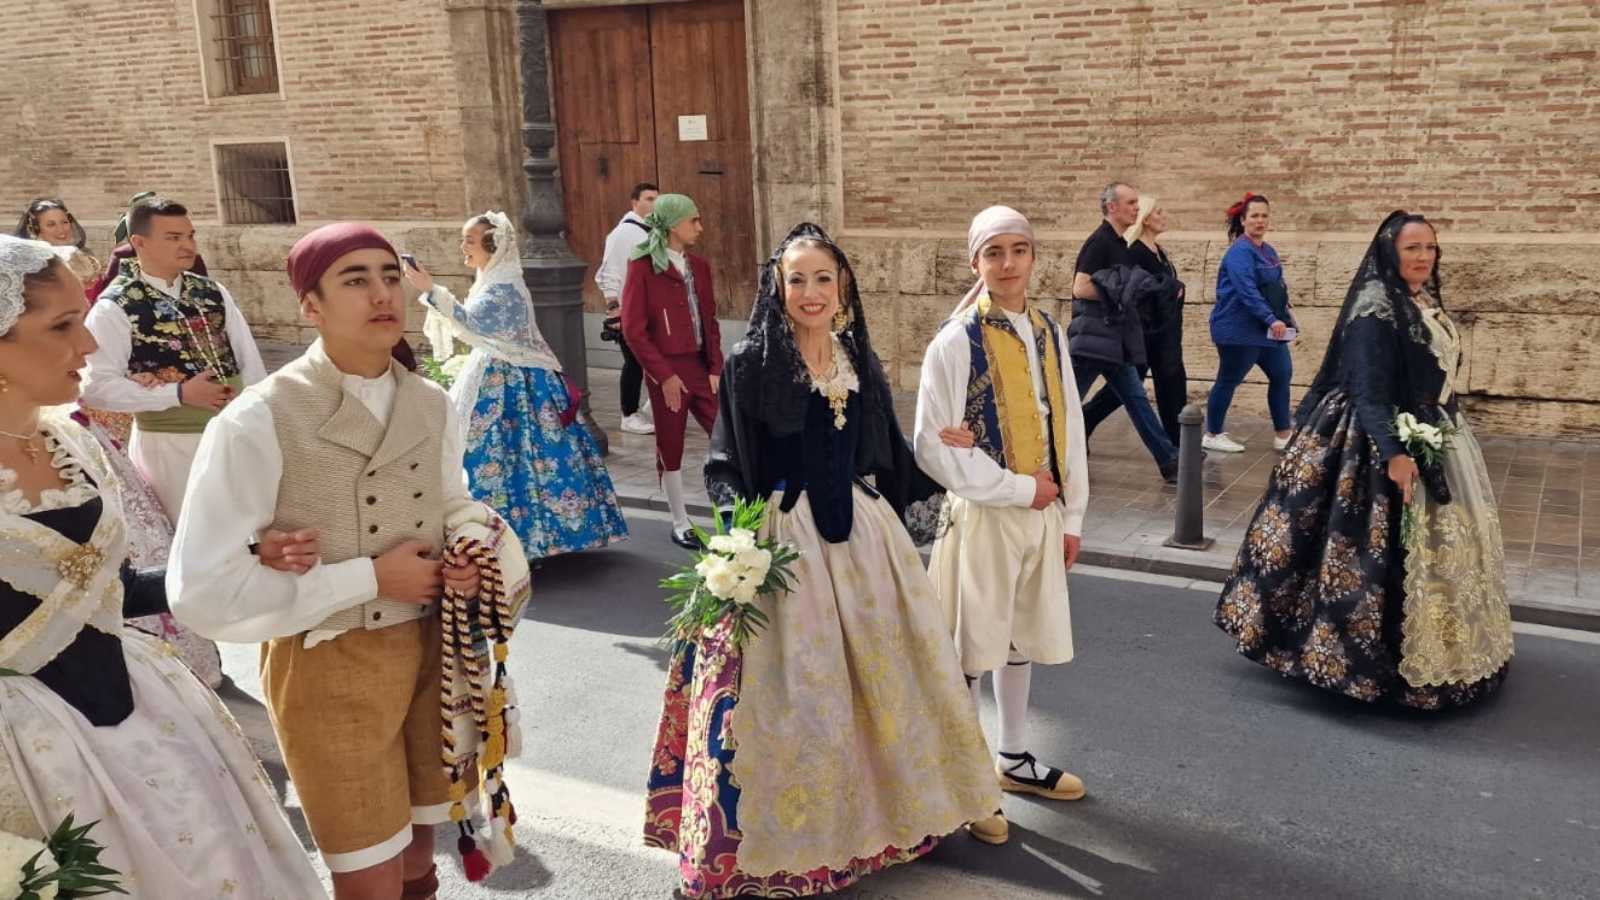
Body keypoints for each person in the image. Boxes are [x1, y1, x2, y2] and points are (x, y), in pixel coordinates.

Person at [169, 223, 529, 899]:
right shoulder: (257, 418)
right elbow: (200, 590)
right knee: (369, 874)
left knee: (421, 859)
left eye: (390, 276)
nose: (381, 293)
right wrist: (368, 576)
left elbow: (451, 499)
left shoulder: (431, 402)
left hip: (432, 652)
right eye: (355, 280)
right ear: (311, 307)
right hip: (328, 664)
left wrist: (463, 552)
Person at [645, 223, 1003, 899]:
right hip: (786, 541)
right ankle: (794, 842)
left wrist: (952, 454)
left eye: (824, 279)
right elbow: (724, 462)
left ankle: (899, 815)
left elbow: (889, 452)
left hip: (865, 540)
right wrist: (736, 539)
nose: (812, 292)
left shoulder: (856, 357)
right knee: (796, 698)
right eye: (798, 279)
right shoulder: (753, 363)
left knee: (888, 683)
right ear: (778, 288)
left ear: (843, 290)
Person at [0, 235, 326, 897]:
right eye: (63, 326)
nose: (88, 346)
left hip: (144, 712)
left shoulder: (75, 445)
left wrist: (245, 561)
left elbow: (112, 591)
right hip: (30, 753)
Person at [1215, 211, 1513, 710]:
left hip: (1437, 433)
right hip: (1375, 445)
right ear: (1390, 252)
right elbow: (1369, 392)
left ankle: (1446, 646)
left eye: (1430, 248)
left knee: (1442, 549)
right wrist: (1396, 454)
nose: (1424, 257)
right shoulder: (1375, 309)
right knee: (1361, 554)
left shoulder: (1419, 301)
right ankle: (1363, 663)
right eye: (1413, 248)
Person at [916, 206, 1092, 805]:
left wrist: (1070, 515)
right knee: (973, 641)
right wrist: (1021, 490)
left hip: (1042, 515)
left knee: (1017, 638)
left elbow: (1069, 423)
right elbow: (931, 447)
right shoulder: (954, 340)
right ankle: (964, 776)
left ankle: (1012, 755)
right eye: (994, 253)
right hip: (986, 516)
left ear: (1034, 258)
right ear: (975, 262)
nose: (1008, 263)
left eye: (1018, 250)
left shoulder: (1049, 330)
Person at [406, 211, 628, 559]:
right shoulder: (493, 281)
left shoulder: (504, 287)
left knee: (516, 454)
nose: (462, 246)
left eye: (469, 240)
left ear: (492, 246)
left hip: (512, 380)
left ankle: (526, 539)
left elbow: (472, 322)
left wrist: (430, 289)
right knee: (503, 455)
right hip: (495, 370)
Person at [82, 197, 266, 520]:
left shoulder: (212, 291)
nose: (187, 245)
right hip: (169, 446)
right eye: (173, 237)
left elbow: (249, 362)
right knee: (191, 533)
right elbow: (95, 385)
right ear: (139, 242)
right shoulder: (114, 306)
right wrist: (178, 395)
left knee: (248, 529)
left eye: (190, 235)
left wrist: (259, 419)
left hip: (233, 433)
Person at [621, 193, 722, 549]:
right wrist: (664, 376)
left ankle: (732, 512)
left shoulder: (700, 266)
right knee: (671, 444)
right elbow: (634, 330)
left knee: (727, 437)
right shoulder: (643, 266)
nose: (700, 226)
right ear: (673, 223)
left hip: (701, 367)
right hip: (667, 371)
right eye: (693, 220)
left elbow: (709, 319)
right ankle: (679, 521)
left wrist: (715, 366)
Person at [1067, 188, 1179, 482]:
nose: (1135, 208)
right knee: (1065, 403)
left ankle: (1170, 461)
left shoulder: (1121, 244)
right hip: (1092, 341)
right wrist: (1120, 290)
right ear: (1112, 207)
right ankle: (1040, 452)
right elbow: (1080, 288)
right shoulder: (1099, 242)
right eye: (1130, 203)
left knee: (1136, 398)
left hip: (1113, 339)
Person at [1204, 192, 1295, 453]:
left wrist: (1285, 313)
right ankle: (1213, 433)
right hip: (1239, 329)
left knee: (1282, 374)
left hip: (1268, 330)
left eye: (1264, 216)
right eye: (1254, 216)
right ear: (1243, 220)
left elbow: (1276, 286)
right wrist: (1270, 318)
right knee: (1229, 379)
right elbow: (1247, 290)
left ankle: (1282, 433)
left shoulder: (1268, 250)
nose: (1260, 220)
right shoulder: (1240, 251)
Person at [597, 181, 658, 435]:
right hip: (628, 310)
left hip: (648, 309)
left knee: (653, 359)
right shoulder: (623, 233)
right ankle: (628, 414)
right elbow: (608, 272)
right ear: (635, 203)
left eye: (657, 199)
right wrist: (614, 310)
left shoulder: (650, 230)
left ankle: (649, 408)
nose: (654, 204)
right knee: (633, 362)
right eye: (649, 199)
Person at [13, 197, 99, 288]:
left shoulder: (84, 258)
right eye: (51, 225)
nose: (61, 230)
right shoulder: (29, 264)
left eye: (64, 222)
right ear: (35, 229)